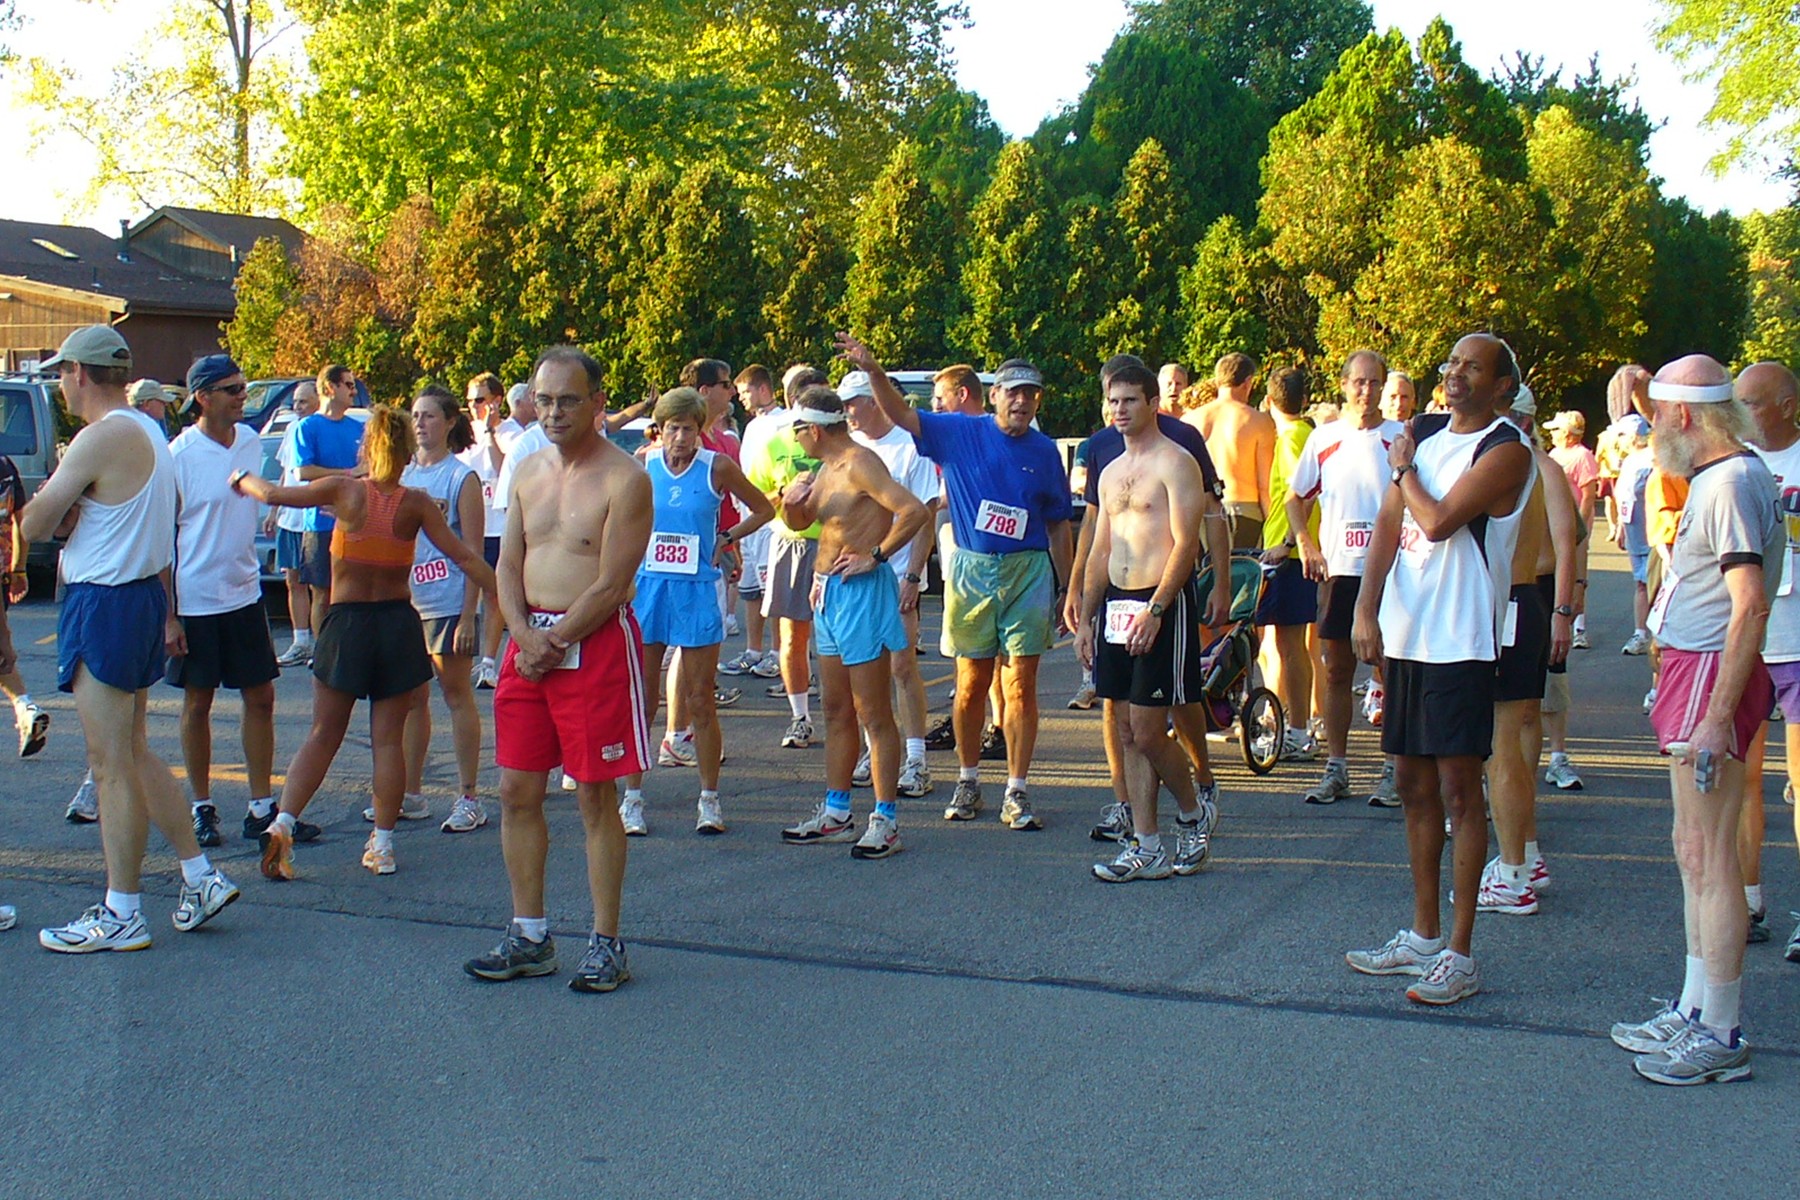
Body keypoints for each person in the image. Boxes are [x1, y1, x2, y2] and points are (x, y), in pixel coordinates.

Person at [20, 325, 239, 951]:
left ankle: (122, 910)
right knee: (136, 752)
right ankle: (198, 875)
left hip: (105, 599)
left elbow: (35, 521)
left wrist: (62, 490)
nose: (61, 383)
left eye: (63, 372)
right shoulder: (148, 429)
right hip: (139, 597)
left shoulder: (100, 436)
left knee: (109, 764)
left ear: (81, 375)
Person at [1345, 332, 1534, 1005]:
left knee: (1459, 792)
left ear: (1502, 386)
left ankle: (1460, 951)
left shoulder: (1506, 449)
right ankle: (1422, 934)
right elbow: (1392, 527)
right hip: (1409, 635)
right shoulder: (1422, 435)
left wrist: (1402, 468)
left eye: (1472, 367)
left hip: (1462, 640)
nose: (1454, 374)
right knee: (1410, 784)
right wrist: (1365, 610)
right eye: (1451, 362)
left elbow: (1442, 517)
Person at [235, 405, 496, 880]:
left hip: (346, 625)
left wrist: (241, 478)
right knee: (386, 741)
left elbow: (273, 491)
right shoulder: (415, 502)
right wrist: (509, 599)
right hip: (396, 624)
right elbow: (464, 556)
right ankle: (383, 843)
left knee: (323, 733)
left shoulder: (345, 491)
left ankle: (282, 823)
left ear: (368, 448)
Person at [1609, 355, 1778, 1086]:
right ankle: (1694, 1006)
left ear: (1682, 415)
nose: (1651, 432)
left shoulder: (1734, 481)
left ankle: (1723, 1030)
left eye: (1655, 417)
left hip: (1713, 670)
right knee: (1694, 851)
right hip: (1694, 667)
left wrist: (1714, 718)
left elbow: (1750, 606)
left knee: (1711, 857)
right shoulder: (1720, 478)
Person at [462, 346, 652, 993]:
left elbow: (612, 581)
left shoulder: (626, 479)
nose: (553, 412)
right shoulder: (527, 470)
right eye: (544, 400)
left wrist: (557, 638)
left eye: (568, 400)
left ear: (598, 403)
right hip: (528, 643)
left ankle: (605, 941)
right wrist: (520, 633)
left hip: (592, 647)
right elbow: (507, 563)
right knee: (517, 790)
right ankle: (529, 934)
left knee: (596, 796)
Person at [854, 335, 1074, 829]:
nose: (1020, 401)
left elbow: (1059, 522)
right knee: (971, 683)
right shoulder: (959, 431)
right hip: (973, 569)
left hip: (1027, 571)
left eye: (1030, 394)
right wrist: (873, 371)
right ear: (993, 395)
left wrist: (1068, 587)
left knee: (1021, 684)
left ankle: (1016, 789)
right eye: (1012, 392)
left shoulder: (1043, 451)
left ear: (1038, 401)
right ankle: (968, 777)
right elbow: (901, 417)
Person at [1068, 353, 1230, 846]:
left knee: (1147, 729)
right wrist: (1086, 618)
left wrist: (1158, 609)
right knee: (1122, 728)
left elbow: (1186, 542)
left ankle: (1192, 811)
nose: (1119, 409)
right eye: (1113, 401)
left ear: (1153, 403)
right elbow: (1100, 548)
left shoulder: (1175, 462)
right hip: (1117, 604)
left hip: (1160, 602)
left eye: (1130, 400)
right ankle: (1147, 842)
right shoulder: (1111, 469)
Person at [774, 384, 928, 857]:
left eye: (798, 432)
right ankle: (837, 812)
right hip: (828, 594)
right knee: (836, 709)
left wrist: (877, 556)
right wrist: (790, 500)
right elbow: (803, 525)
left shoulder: (860, 463)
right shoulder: (824, 469)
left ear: (814, 431)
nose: (795, 440)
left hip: (861, 593)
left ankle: (886, 819)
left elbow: (914, 510)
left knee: (872, 711)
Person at [617, 387, 773, 837]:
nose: (680, 437)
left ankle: (709, 799)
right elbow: (618, 515)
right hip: (651, 589)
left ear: (700, 429)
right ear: (660, 430)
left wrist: (728, 538)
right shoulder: (643, 464)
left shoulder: (716, 466)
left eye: (688, 428)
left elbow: (763, 507)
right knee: (643, 699)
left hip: (698, 589)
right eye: (672, 429)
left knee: (700, 699)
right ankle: (632, 798)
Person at [166, 354, 283, 850]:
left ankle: (261, 807)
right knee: (199, 703)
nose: (242, 396)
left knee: (261, 697)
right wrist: (169, 615)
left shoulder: (252, 442)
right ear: (203, 397)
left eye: (243, 387)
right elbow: (163, 537)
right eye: (232, 389)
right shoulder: (178, 456)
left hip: (244, 593)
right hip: (196, 599)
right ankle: (201, 805)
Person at [1287, 351, 1404, 807]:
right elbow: (1296, 497)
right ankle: (1337, 767)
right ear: (1343, 384)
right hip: (1339, 569)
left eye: (1375, 383)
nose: (1367, 391)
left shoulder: (1400, 437)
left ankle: (1393, 768)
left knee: (1391, 669)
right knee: (1337, 669)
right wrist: (1305, 543)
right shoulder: (1325, 437)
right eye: (1359, 382)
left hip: (1393, 572)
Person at [1480, 384, 1579, 915]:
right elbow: (1567, 543)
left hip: (1516, 599)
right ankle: (1528, 854)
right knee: (1519, 732)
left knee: (1503, 743)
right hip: (1533, 603)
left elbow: (1567, 544)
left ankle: (1514, 867)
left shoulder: (1520, 464)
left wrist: (1565, 610)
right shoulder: (1543, 465)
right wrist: (1563, 612)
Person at [844, 371, 942, 798]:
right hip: (856, 578)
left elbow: (926, 514)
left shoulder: (910, 446)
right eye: (844, 403)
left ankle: (917, 760)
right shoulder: (850, 449)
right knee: (868, 673)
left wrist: (913, 575)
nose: (848, 411)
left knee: (903, 668)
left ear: (876, 402)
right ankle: (876, 748)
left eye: (854, 402)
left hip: (897, 572)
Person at [399, 387, 489, 833]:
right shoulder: (402, 474)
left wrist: (470, 612)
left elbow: (473, 551)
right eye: (415, 415)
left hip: (449, 602)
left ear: (450, 422)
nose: (420, 423)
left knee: (455, 696)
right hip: (407, 604)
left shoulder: (461, 478)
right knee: (412, 700)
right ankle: (410, 794)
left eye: (430, 416)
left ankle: (469, 796)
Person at [1738, 361, 1800, 949]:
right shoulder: (1737, 467)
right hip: (1748, 641)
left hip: (1797, 638)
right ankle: (1747, 900)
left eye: (1750, 404)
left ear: (1786, 405)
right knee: (1744, 778)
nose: (1740, 415)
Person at [740, 366, 827, 748]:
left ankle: (845, 719)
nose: (815, 409)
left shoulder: (841, 440)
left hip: (836, 545)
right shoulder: (774, 443)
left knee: (836, 639)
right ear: (791, 402)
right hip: (791, 542)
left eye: (822, 398)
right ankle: (800, 717)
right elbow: (758, 502)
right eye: (808, 400)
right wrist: (787, 494)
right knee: (793, 636)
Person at [1256, 366, 1320, 762]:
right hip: (1289, 551)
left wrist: (1287, 542)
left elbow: (1306, 490)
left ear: (1267, 401)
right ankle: (1292, 726)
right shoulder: (1296, 435)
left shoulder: (1295, 437)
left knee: (1291, 646)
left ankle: (1298, 731)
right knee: (1284, 644)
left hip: (1291, 556)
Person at [293, 364, 367, 647]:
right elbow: (304, 471)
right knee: (321, 591)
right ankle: (322, 649)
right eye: (348, 385)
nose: (353, 391)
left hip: (354, 521)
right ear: (329, 388)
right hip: (320, 523)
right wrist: (347, 473)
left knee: (351, 591)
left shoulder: (359, 428)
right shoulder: (308, 426)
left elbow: (369, 470)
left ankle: (349, 647)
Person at [721, 363, 781, 677]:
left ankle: (776, 652)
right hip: (749, 520)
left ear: (762, 389)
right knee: (750, 590)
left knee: (773, 590)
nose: (741, 398)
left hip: (771, 522)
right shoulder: (754, 426)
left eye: (745, 392)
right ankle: (753, 651)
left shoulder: (783, 422)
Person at [470, 378, 531, 688]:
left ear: (495, 400)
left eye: (480, 400)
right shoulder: (465, 431)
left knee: (495, 596)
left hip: (498, 526)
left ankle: (488, 663)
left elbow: (503, 467)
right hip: (470, 526)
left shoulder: (511, 433)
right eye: (471, 401)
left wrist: (491, 432)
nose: (475, 407)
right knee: (465, 592)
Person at [1187, 352, 1275, 549]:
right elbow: (1264, 484)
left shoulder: (1190, 419)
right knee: (1242, 575)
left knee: (1205, 576)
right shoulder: (1259, 421)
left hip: (1199, 511)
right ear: (1248, 382)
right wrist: (1272, 525)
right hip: (1243, 509)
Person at [1, 448, 47, 757]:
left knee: (2, 650)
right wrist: (18, 567)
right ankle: (25, 708)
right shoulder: (4, 466)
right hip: (3, 567)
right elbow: (22, 521)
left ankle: (25, 708)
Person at [272, 381, 321, 667]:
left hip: (312, 520)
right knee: (293, 581)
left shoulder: (319, 429)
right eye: (295, 402)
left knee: (318, 584)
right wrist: (273, 511)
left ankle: (321, 643)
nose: (298, 407)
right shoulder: (291, 429)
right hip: (289, 519)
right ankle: (300, 641)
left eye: (303, 401)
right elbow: (285, 472)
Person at [1545, 409, 1599, 650]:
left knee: (1577, 574)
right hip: (1555, 521)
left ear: (1568, 434)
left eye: (1557, 430)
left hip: (1574, 523)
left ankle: (1579, 627)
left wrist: (1582, 523)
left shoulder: (1583, 456)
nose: (1553, 434)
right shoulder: (1554, 454)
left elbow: (1588, 494)